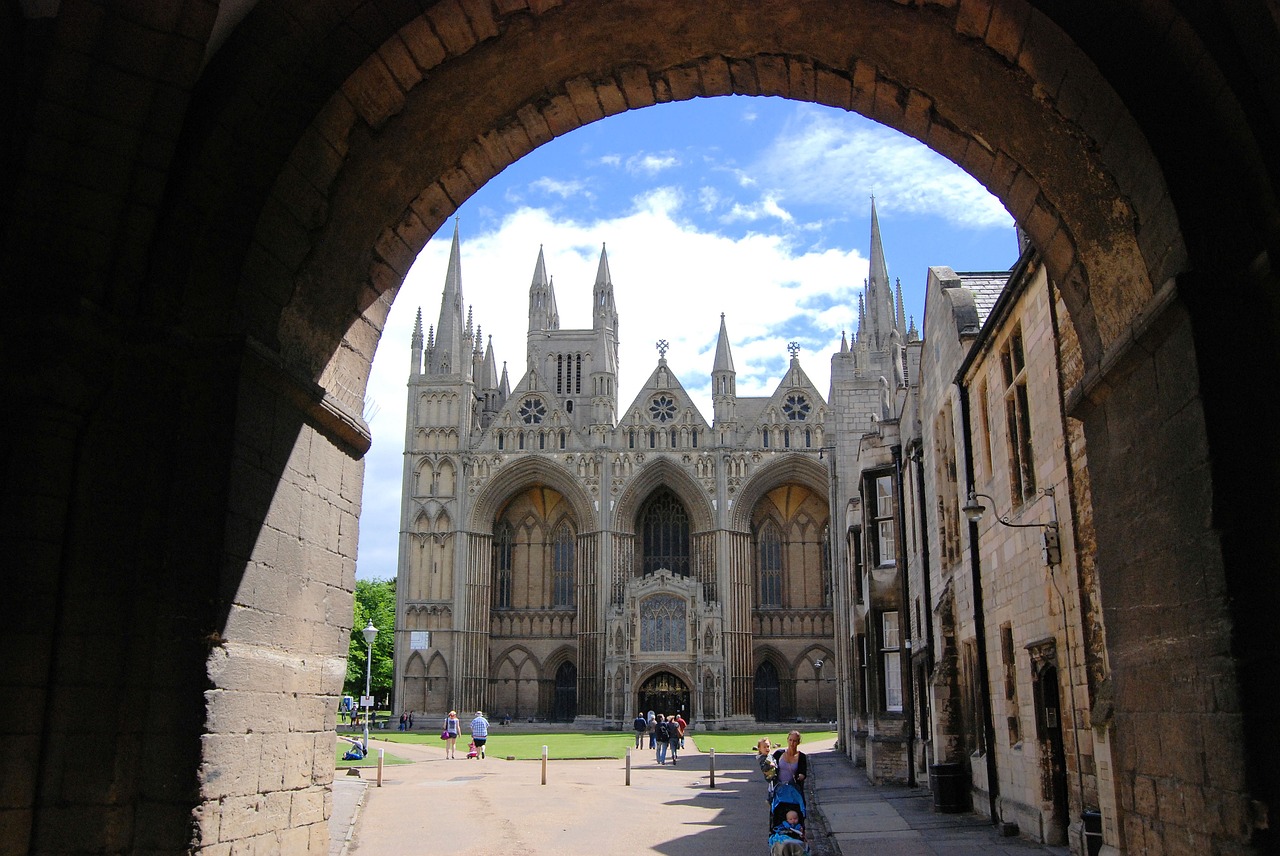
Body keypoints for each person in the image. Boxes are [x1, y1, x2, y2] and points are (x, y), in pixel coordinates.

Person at [773, 730, 809, 799]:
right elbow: (769, 766)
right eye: (790, 740)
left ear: (798, 742)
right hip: (778, 790)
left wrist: (801, 776)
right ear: (787, 740)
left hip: (793, 791)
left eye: (794, 741)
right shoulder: (778, 754)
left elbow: (803, 772)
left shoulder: (801, 757)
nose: (792, 743)